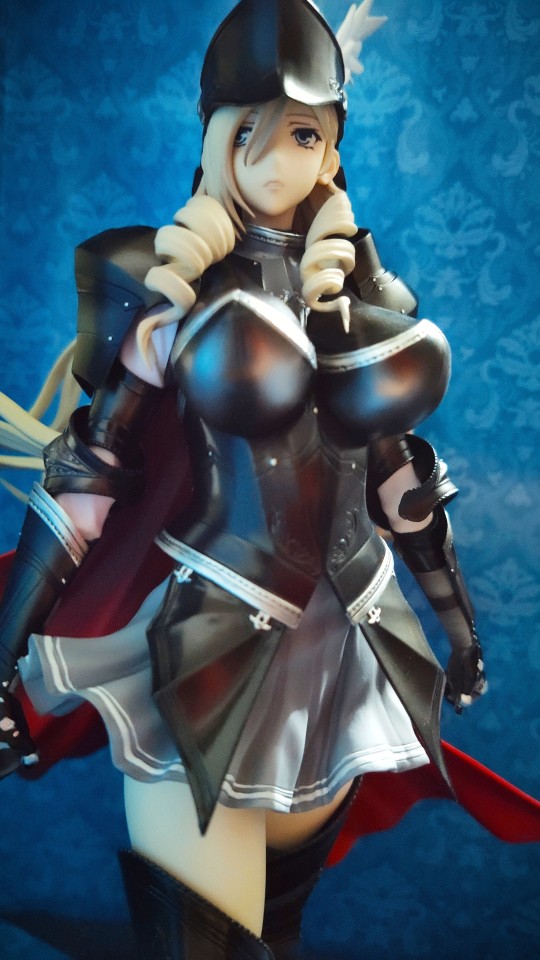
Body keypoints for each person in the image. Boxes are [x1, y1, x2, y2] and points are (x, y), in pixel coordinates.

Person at [0, 1, 488, 957]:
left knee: (279, 928)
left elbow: (399, 479)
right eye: (247, 129)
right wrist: (4, 655)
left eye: (302, 132)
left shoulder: (363, 299)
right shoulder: (167, 296)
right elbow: (88, 480)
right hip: (215, 645)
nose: (273, 158)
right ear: (214, 135)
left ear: (331, 146)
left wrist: (459, 627)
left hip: (346, 646)